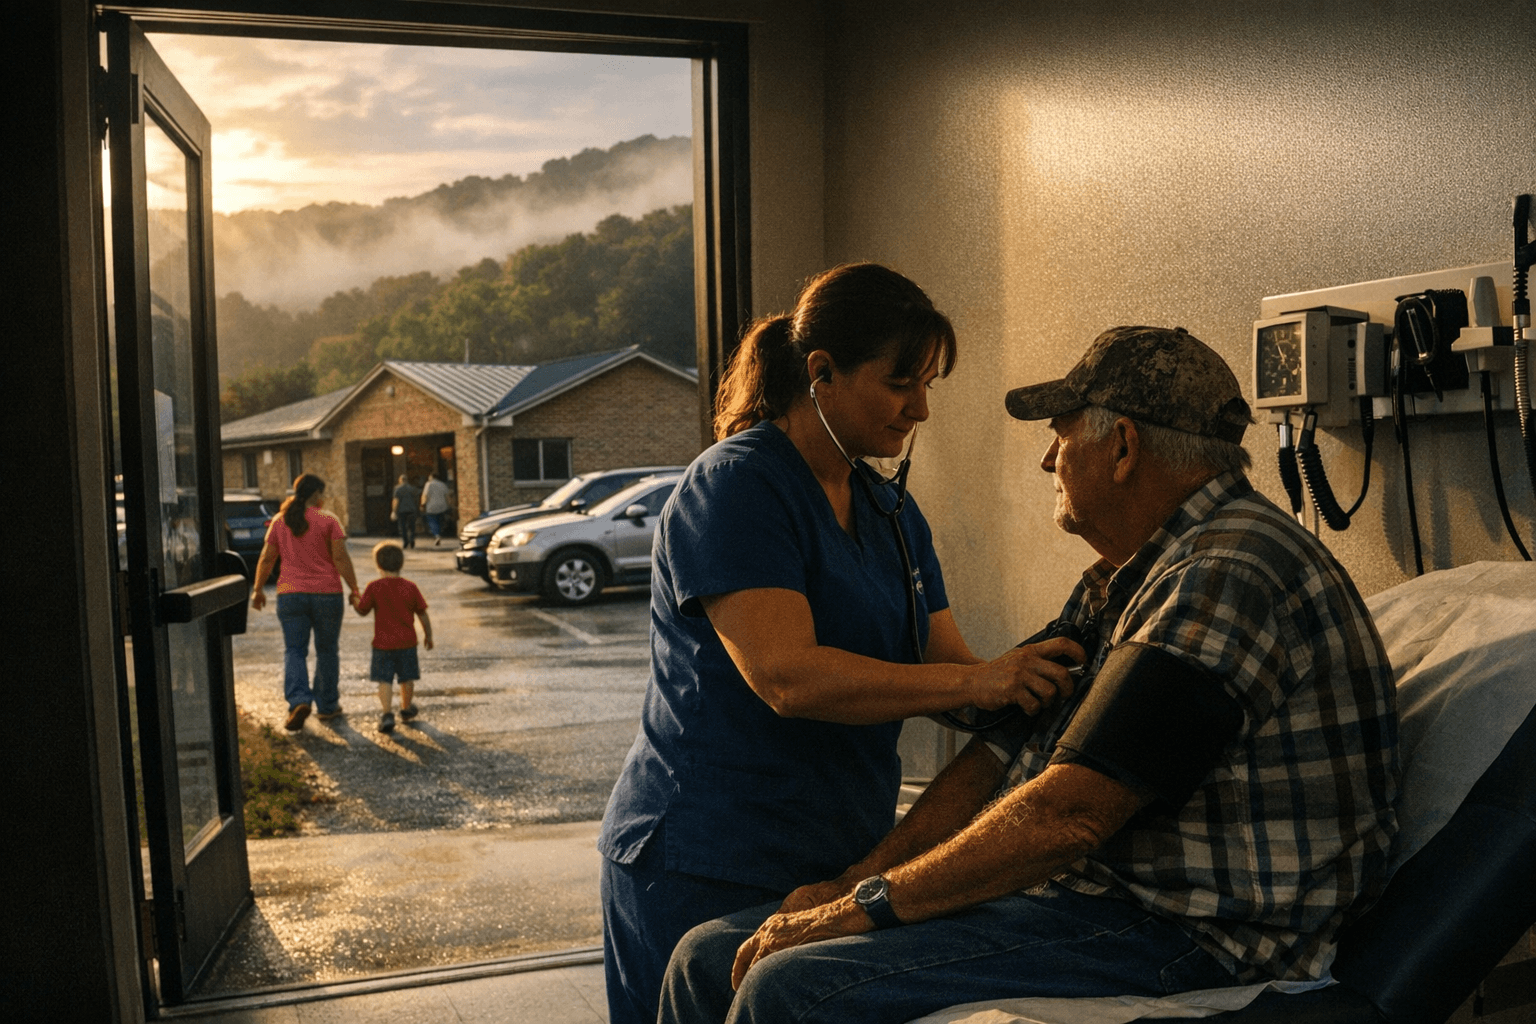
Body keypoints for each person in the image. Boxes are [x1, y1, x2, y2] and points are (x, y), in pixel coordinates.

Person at [659, 326, 1400, 1024]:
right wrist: (858, 883)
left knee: (792, 988)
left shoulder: (1227, 572)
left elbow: (1068, 814)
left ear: (1122, 447)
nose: (1048, 461)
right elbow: (1001, 751)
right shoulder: (1121, 580)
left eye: (1061, 435)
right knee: (707, 957)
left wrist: (865, 908)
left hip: (1194, 930)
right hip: (1090, 899)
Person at [598, 263, 1083, 1024]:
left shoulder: (890, 510)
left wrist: (1048, 684)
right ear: (821, 373)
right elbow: (787, 677)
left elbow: (949, 668)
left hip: (839, 853)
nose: (920, 408)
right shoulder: (735, 486)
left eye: (928, 385)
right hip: (706, 853)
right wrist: (982, 682)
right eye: (900, 383)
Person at [250, 473, 361, 731]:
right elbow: (341, 558)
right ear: (317, 494)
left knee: (294, 650)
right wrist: (354, 589)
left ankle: (299, 700)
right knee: (327, 650)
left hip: (290, 595)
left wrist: (257, 590)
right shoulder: (329, 520)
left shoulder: (280, 521)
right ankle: (327, 705)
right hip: (327, 594)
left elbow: (267, 557)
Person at [352, 540, 432, 733]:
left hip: (382, 644)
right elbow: (422, 613)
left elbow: (362, 609)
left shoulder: (374, 587)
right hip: (407, 643)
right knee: (407, 678)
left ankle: (387, 713)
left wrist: (355, 599)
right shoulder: (410, 587)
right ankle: (406, 708)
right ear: (401, 563)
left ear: (378, 564)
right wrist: (428, 636)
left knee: (384, 680)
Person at [421, 472, 453, 546]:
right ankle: (439, 533)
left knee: (432, 521)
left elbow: (425, 495)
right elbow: (447, 496)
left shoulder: (428, 484)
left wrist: (422, 504)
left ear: (432, 477)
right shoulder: (442, 484)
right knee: (440, 521)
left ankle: (437, 535)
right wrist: (449, 504)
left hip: (431, 506)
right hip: (442, 506)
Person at [391, 474, 421, 548]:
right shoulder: (413, 488)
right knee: (412, 526)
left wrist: (394, 511)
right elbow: (417, 500)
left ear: (400, 480)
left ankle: (405, 541)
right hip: (412, 509)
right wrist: (417, 509)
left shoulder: (397, 489)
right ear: (407, 480)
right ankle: (412, 539)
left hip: (402, 510)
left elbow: (396, 501)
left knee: (403, 527)